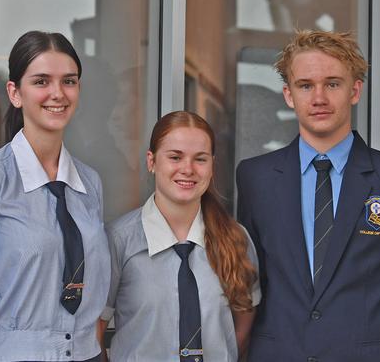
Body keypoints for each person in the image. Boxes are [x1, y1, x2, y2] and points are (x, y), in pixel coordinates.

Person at [236, 30, 380, 362]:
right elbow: (249, 280)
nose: (319, 97)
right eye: (305, 85)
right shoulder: (255, 178)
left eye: (332, 83)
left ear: (355, 90)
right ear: (288, 95)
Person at [0, 31, 109, 362]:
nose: (57, 93)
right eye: (41, 81)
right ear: (15, 93)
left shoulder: (89, 182)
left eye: (69, 81)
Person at [99, 111, 260, 362]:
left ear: (212, 166)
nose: (188, 169)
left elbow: (243, 328)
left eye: (200, 159)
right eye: (175, 157)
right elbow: (94, 334)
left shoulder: (236, 238)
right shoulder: (118, 240)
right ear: (151, 162)